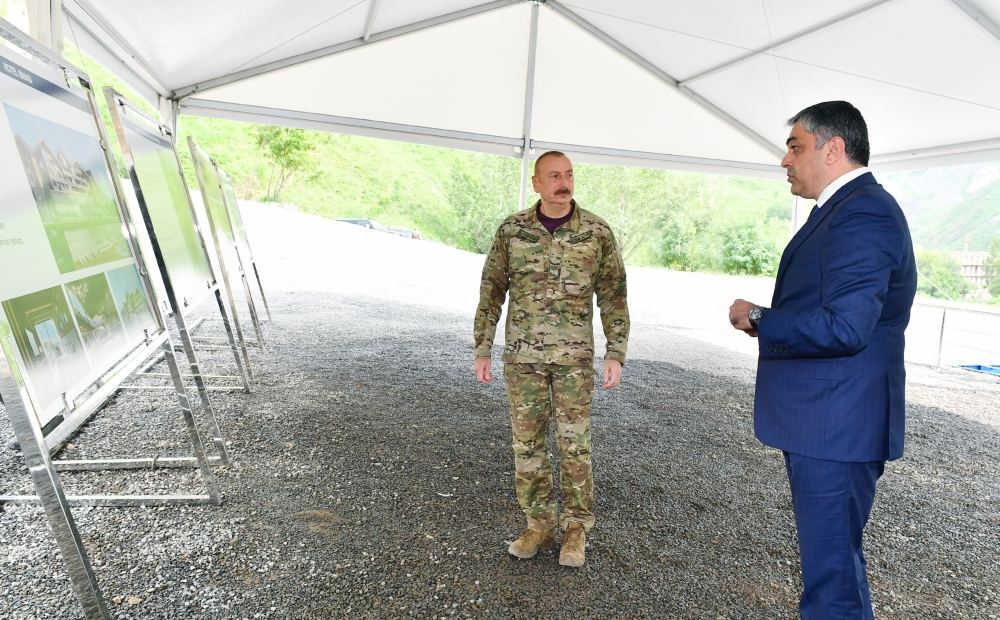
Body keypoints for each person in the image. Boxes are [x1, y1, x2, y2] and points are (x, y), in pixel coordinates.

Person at [729, 101, 916, 618]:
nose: (785, 161)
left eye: (796, 147)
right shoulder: (845, 210)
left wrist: (763, 319)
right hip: (830, 421)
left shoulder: (865, 212)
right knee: (836, 567)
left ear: (833, 149)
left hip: (837, 427)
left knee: (829, 579)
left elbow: (847, 326)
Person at [473, 151, 629, 568]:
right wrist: (482, 346)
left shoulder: (596, 232)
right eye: (554, 176)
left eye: (570, 175)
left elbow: (614, 296)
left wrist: (616, 352)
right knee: (527, 446)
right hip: (523, 359)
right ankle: (538, 524)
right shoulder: (512, 231)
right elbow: (492, 290)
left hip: (574, 361)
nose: (565, 183)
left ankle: (576, 529)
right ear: (537, 183)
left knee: (574, 445)